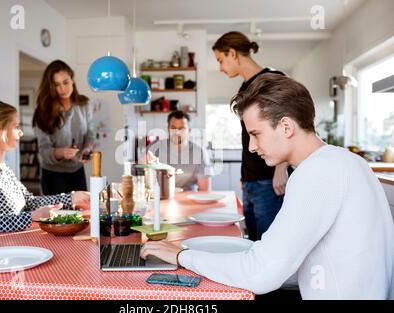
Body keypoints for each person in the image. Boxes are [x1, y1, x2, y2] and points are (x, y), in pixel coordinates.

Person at [141, 74, 394, 299]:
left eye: (256, 134)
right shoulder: (347, 161)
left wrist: (180, 255)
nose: (251, 146)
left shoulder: (317, 172)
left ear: (286, 127)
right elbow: (294, 262)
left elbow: (261, 274)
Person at [0, 101, 90, 248]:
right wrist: (30, 217)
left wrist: (72, 197)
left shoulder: (3, 169)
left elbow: (29, 202)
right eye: (16, 127)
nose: (21, 132)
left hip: (1, 250)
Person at [212, 31, 289, 240]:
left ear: (232, 53)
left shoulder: (272, 79)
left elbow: (287, 123)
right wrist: (245, 176)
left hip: (268, 179)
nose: (220, 68)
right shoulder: (245, 87)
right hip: (251, 180)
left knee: (268, 244)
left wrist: (281, 169)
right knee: (252, 242)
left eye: (221, 60)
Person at [33, 59, 98, 195]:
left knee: (82, 214)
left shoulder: (84, 104)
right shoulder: (43, 111)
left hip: (77, 171)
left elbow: (90, 134)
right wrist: (62, 152)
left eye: (66, 82)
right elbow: (44, 150)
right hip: (52, 175)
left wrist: (87, 150)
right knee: (56, 215)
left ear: (72, 78)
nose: (62, 89)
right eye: (56, 85)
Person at [144, 110, 212, 191]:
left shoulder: (199, 153)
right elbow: (142, 180)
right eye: (173, 128)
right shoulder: (154, 149)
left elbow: (205, 191)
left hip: (188, 200)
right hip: (159, 199)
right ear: (168, 129)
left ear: (189, 130)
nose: (177, 132)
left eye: (182, 128)